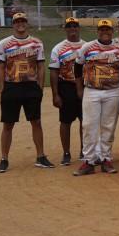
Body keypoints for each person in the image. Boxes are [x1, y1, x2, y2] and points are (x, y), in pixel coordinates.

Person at [0, 12, 51, 173]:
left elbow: (41, 66)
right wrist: (2, 87)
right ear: (13, 24)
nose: (20, 24)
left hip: (31, 86)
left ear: (27, 23)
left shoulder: (36, 43)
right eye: (17, 21)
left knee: (36, 121)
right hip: (12, 86)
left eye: (23, 21)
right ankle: (4, 158)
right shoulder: (4, 43)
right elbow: (0, 66)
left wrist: (40, 86)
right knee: (8, 124)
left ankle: (41, 156)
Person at [73, 19, 119, 176]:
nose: (105, 32)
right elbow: (77, 68)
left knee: (108, 126)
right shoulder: (87, 48)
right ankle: (88, 161)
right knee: (89, 125)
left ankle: (106, 159)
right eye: (102, 29)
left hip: (113, 91)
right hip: (91, 90)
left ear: (112, 31)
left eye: (108, 29)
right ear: (97, 31)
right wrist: (79, 88)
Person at [48, 17, 85, 165]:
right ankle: (66, 152)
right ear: (65, 29)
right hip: (66, 86)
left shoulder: (86, 46)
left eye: (75, 26)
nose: (72, 29)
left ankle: (84, 150)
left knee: (85, 121)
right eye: (69, 26)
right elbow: (54, 72)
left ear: (78, 28)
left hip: (83, 86)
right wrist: (55, 94)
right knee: (65, 121)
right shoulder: (58, 48)